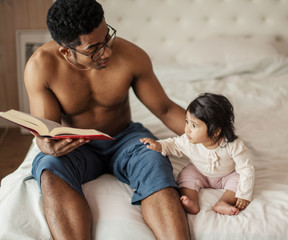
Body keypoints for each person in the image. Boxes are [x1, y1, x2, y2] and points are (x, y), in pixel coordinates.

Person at [24, 0, 190, 239]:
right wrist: (45, 144)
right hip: (77, 145)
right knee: (49, 168)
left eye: (107, 39)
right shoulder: (41, 66)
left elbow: (165, 109)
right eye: (94, 48)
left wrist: (211, 134)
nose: (108, 52)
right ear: (66, 51)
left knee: (154, 157)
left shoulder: (132, 55)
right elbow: (47, 131)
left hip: (124, 137)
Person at [141, 93, 255, 216]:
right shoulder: (188, 141)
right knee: (186, 175)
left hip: (227, 175)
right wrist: (159, 145)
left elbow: (246, 169)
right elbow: (173, 144)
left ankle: (223, 202)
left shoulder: (233, 145)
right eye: (187, 122)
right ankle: (191, 201)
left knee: (239, 180)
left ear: (215, 131)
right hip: (199, 172)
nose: (187, 129)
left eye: (194, 125)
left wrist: (244, 195)